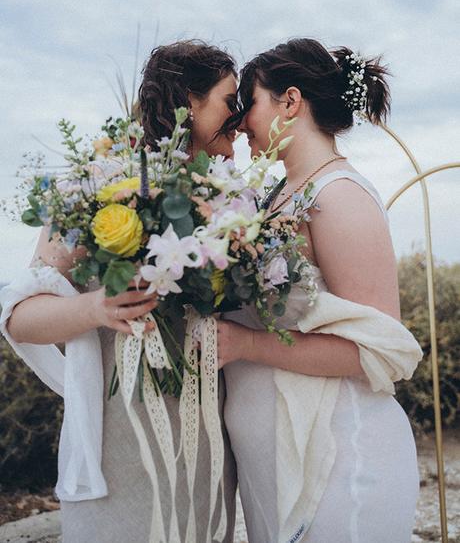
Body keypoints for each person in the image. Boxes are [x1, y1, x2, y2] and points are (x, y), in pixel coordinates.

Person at [2, 40, 238, 543]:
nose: (237, 118)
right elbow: (20, 314)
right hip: (120, 431)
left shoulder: (232, 198)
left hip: (208, 437)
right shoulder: (99, 185)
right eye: (228, 101)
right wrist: (95, 306)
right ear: (190, 103)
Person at [217, 38, 421, 543]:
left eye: (251, 102)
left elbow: (382, 349)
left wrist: (244, 344)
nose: (241, 122)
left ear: (290, 102)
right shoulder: (273, 196)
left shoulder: (340, 197)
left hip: (341, 460)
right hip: (277, 469)